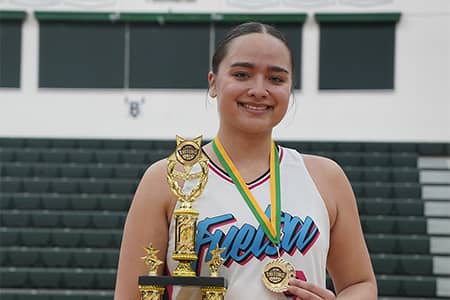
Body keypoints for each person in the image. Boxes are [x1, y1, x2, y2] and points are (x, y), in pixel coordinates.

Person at [114, 22, 377, 299]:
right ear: (213, 83)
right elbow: (131, 295)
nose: (259, 90)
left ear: (290, 89)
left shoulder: (326, 178)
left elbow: (360, 284)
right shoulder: (166, 178)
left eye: (276, 79)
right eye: (242, 74)